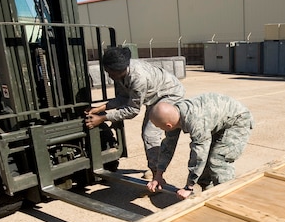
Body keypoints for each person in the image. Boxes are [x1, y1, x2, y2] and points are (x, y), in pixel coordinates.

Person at [84, 46, 185, 176]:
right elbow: (124, 98)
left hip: (169, 94)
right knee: (147, 134)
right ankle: (156, 169)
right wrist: (99, 108)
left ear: (119, 69)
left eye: (111, 72)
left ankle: (157, 176)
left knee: (150, 134)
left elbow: (132, 110)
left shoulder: (138, 78)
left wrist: (103, 118)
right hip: (154, 95)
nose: (109, 75)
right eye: (107, 72)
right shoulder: (120, 74)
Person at [146, 93, 253, 199]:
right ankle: (209, 195)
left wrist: (189, 187)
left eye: (159, 127)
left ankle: (228, 198)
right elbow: (167, 147)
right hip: (217, 121)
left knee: (218, 160)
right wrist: (158, 175)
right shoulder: (175, 114)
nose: (160, 129)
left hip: (238, 120)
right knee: (204, 167)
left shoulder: (196, 123)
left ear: (168, 125)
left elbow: (198, 156)